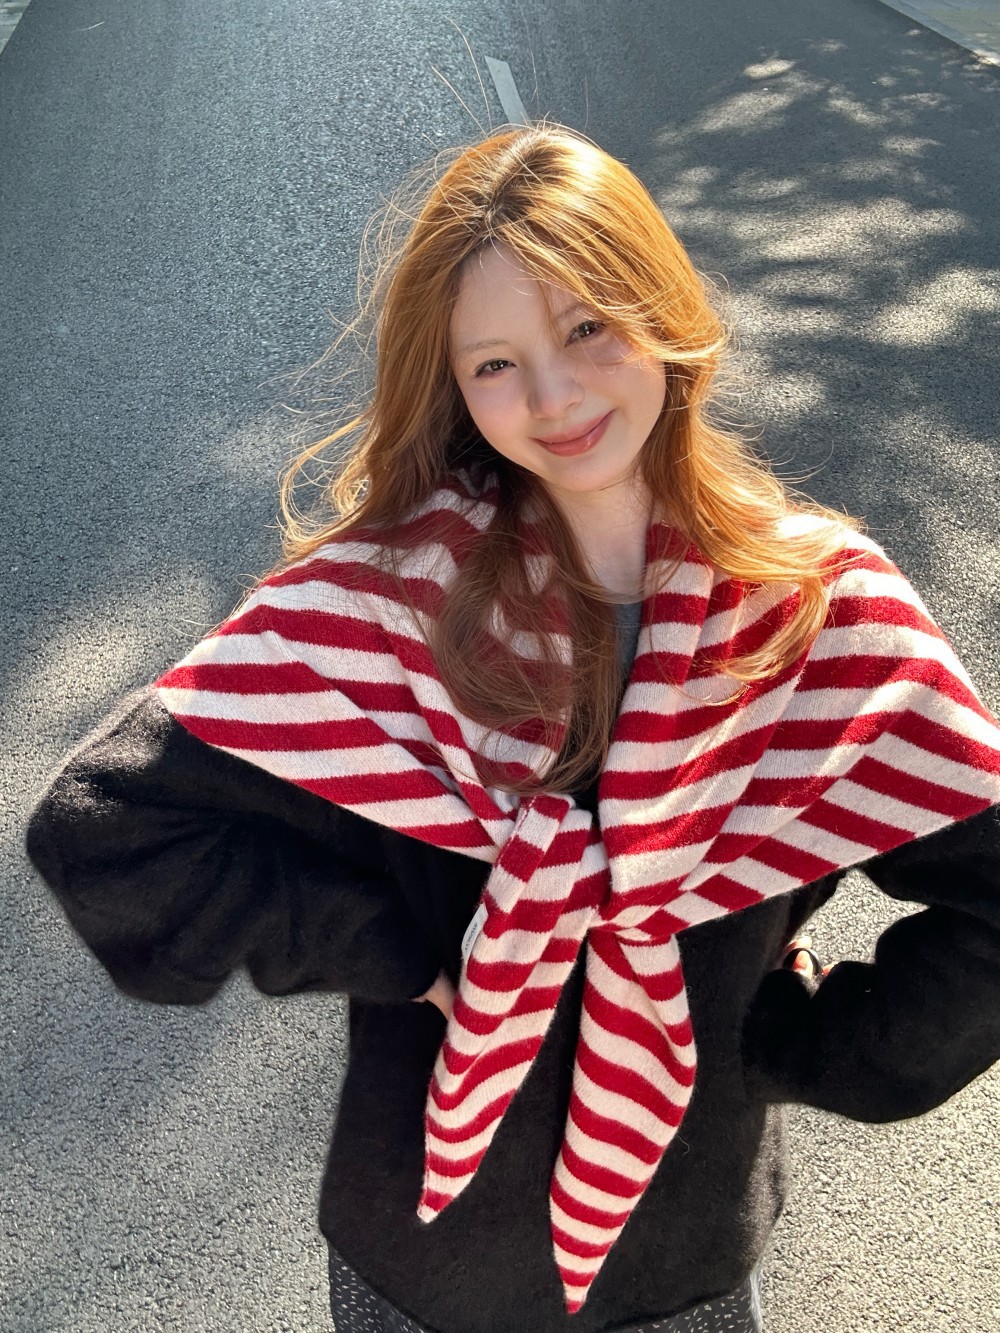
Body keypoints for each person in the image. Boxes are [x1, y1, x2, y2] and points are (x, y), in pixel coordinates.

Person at [26, 124, 1000, 1333]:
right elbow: (104, 825)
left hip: (679, 1258)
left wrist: (815, 1047)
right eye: (494, 362)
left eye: (587, 326)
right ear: (450, 384)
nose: (552, 395)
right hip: (416, 1256)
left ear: (661, 308)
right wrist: (389, 949)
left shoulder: (813, 609)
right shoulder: (387, 602)